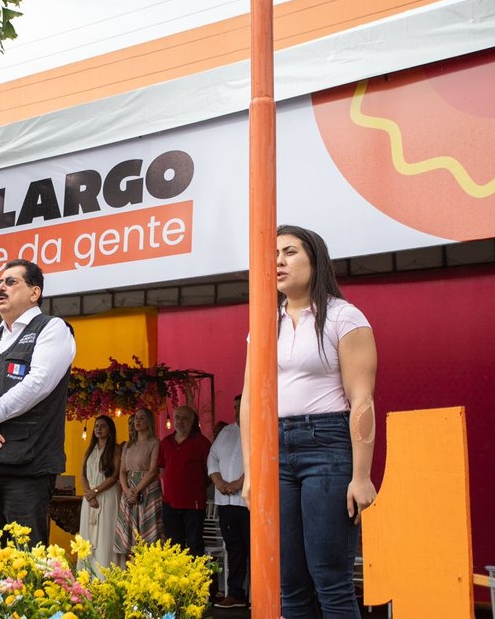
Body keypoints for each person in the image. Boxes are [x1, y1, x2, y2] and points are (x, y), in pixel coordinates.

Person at [240, 225, 378, 618]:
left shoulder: (343, 317)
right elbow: (250, 401)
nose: (278, 262)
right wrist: (251, 473)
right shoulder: (265, 324)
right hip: (275, 451)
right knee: (289, 582)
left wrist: (362, 475)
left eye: (290, 252)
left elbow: (362, 400)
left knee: (330, 579)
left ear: (315, 261)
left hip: (328, 446)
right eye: (274, 255)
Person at [0, 259, 76, 547]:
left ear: (35, 292)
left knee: (25, 558)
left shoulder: (52, 328)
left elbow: (38, 383)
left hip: (26, 466)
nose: (1, 288)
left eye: (11, 282)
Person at [208, 394, 249, 609]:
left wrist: (241, 482)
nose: (236, 410)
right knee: (234, 548)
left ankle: (258, 595)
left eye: (240, 406)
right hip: (224, 501)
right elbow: (212, 457)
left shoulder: (258, 428)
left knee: (253, 548)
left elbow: (262, 459)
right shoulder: (226, 431)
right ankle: (236, 593)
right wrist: (219, 481)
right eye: (235, 406)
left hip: (247, 502)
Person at [158, 406, 211, 557]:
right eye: (177, 417)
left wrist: (196, 487)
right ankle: (178, 580)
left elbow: (211, 471)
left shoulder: (201, 442)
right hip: (170, 504)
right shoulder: (166, 442)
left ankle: (197, 580)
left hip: (193, 505)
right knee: (174, 547)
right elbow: (161, 470)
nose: (180, 421)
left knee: (195, 545)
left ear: (192, 420)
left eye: (185, 418)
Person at [114, 408, 162, 559]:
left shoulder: (155, 443)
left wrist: (136, 490)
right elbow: (122, 471)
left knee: (148, 534)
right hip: (129, 489)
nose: (137, 421)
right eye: (136, 418)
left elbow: (153, 470)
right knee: (131, 534)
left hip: (147, 489)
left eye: (142, 418)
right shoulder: (128, 445)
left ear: (149, 421)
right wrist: (127, 491)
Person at [78, 415, 122, 573]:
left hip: (107, 495)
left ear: (110, 430)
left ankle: (105, 574)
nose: (98, 429)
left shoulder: (116, 449)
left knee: (105, 535)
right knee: (88, 535)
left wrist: (96, 492)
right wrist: (89, 494)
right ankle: (87, 574)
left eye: (103, 426)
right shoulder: (89, 450)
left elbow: (114, 475)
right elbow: (82, 474)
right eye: (96, 426)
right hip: (89, 498)